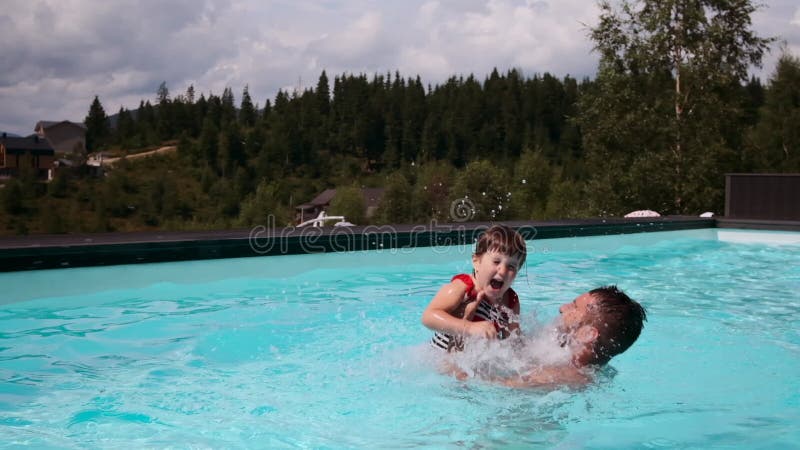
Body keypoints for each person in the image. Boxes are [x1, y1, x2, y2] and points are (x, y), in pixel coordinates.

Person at [490, 285, 647, 388]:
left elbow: (487, 384)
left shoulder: (560, 376)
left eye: (574, 306)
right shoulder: (572, 366)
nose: (562, 308)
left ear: (587, 334)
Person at [421, 224, 527, 352]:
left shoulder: (511, 301)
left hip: (474, 359)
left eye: (511, 267)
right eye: (496, 262)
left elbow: (514, 342)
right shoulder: (462, 288)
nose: (503, 271)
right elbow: (428, 316)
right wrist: (468, 327)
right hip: (443, 358)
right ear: (477, 262)